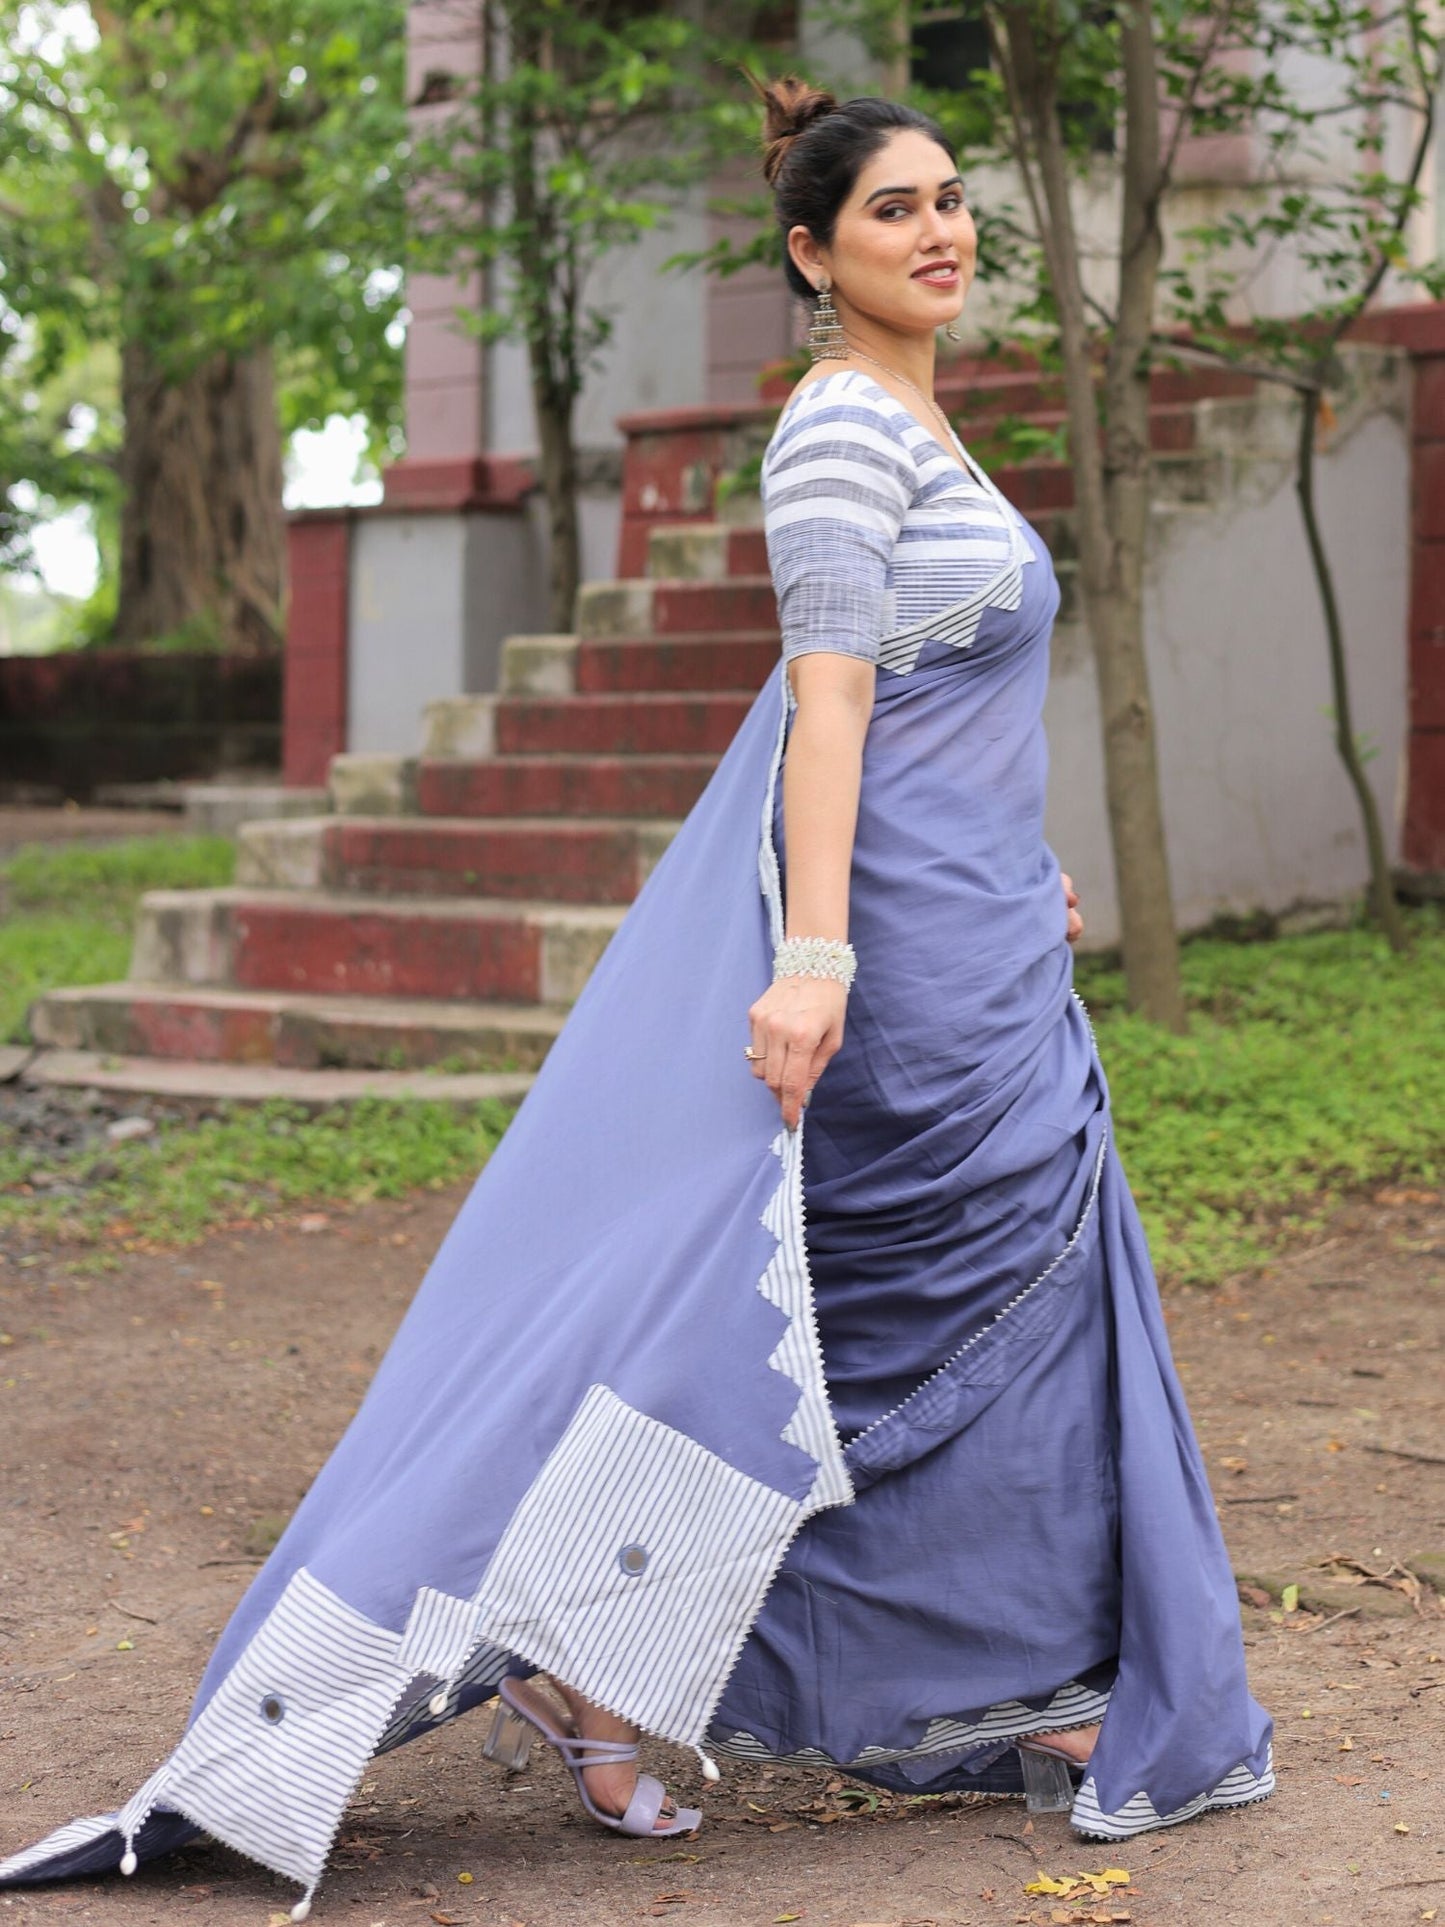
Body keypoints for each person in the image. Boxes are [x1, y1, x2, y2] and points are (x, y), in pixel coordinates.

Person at [0, 78, 1274, 1918]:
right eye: (892, 212)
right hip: (895, 970)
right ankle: (584, 1641)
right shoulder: (840, 432)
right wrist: (818, 956)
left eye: (947, 202)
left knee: (990, 1313)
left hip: (981, 932)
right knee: (837, 1321)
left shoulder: (931, 425)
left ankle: (971, 1677)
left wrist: (1028, 866)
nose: (937, 232)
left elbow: (941, 705)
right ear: (811, 255)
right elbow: (824, 700)